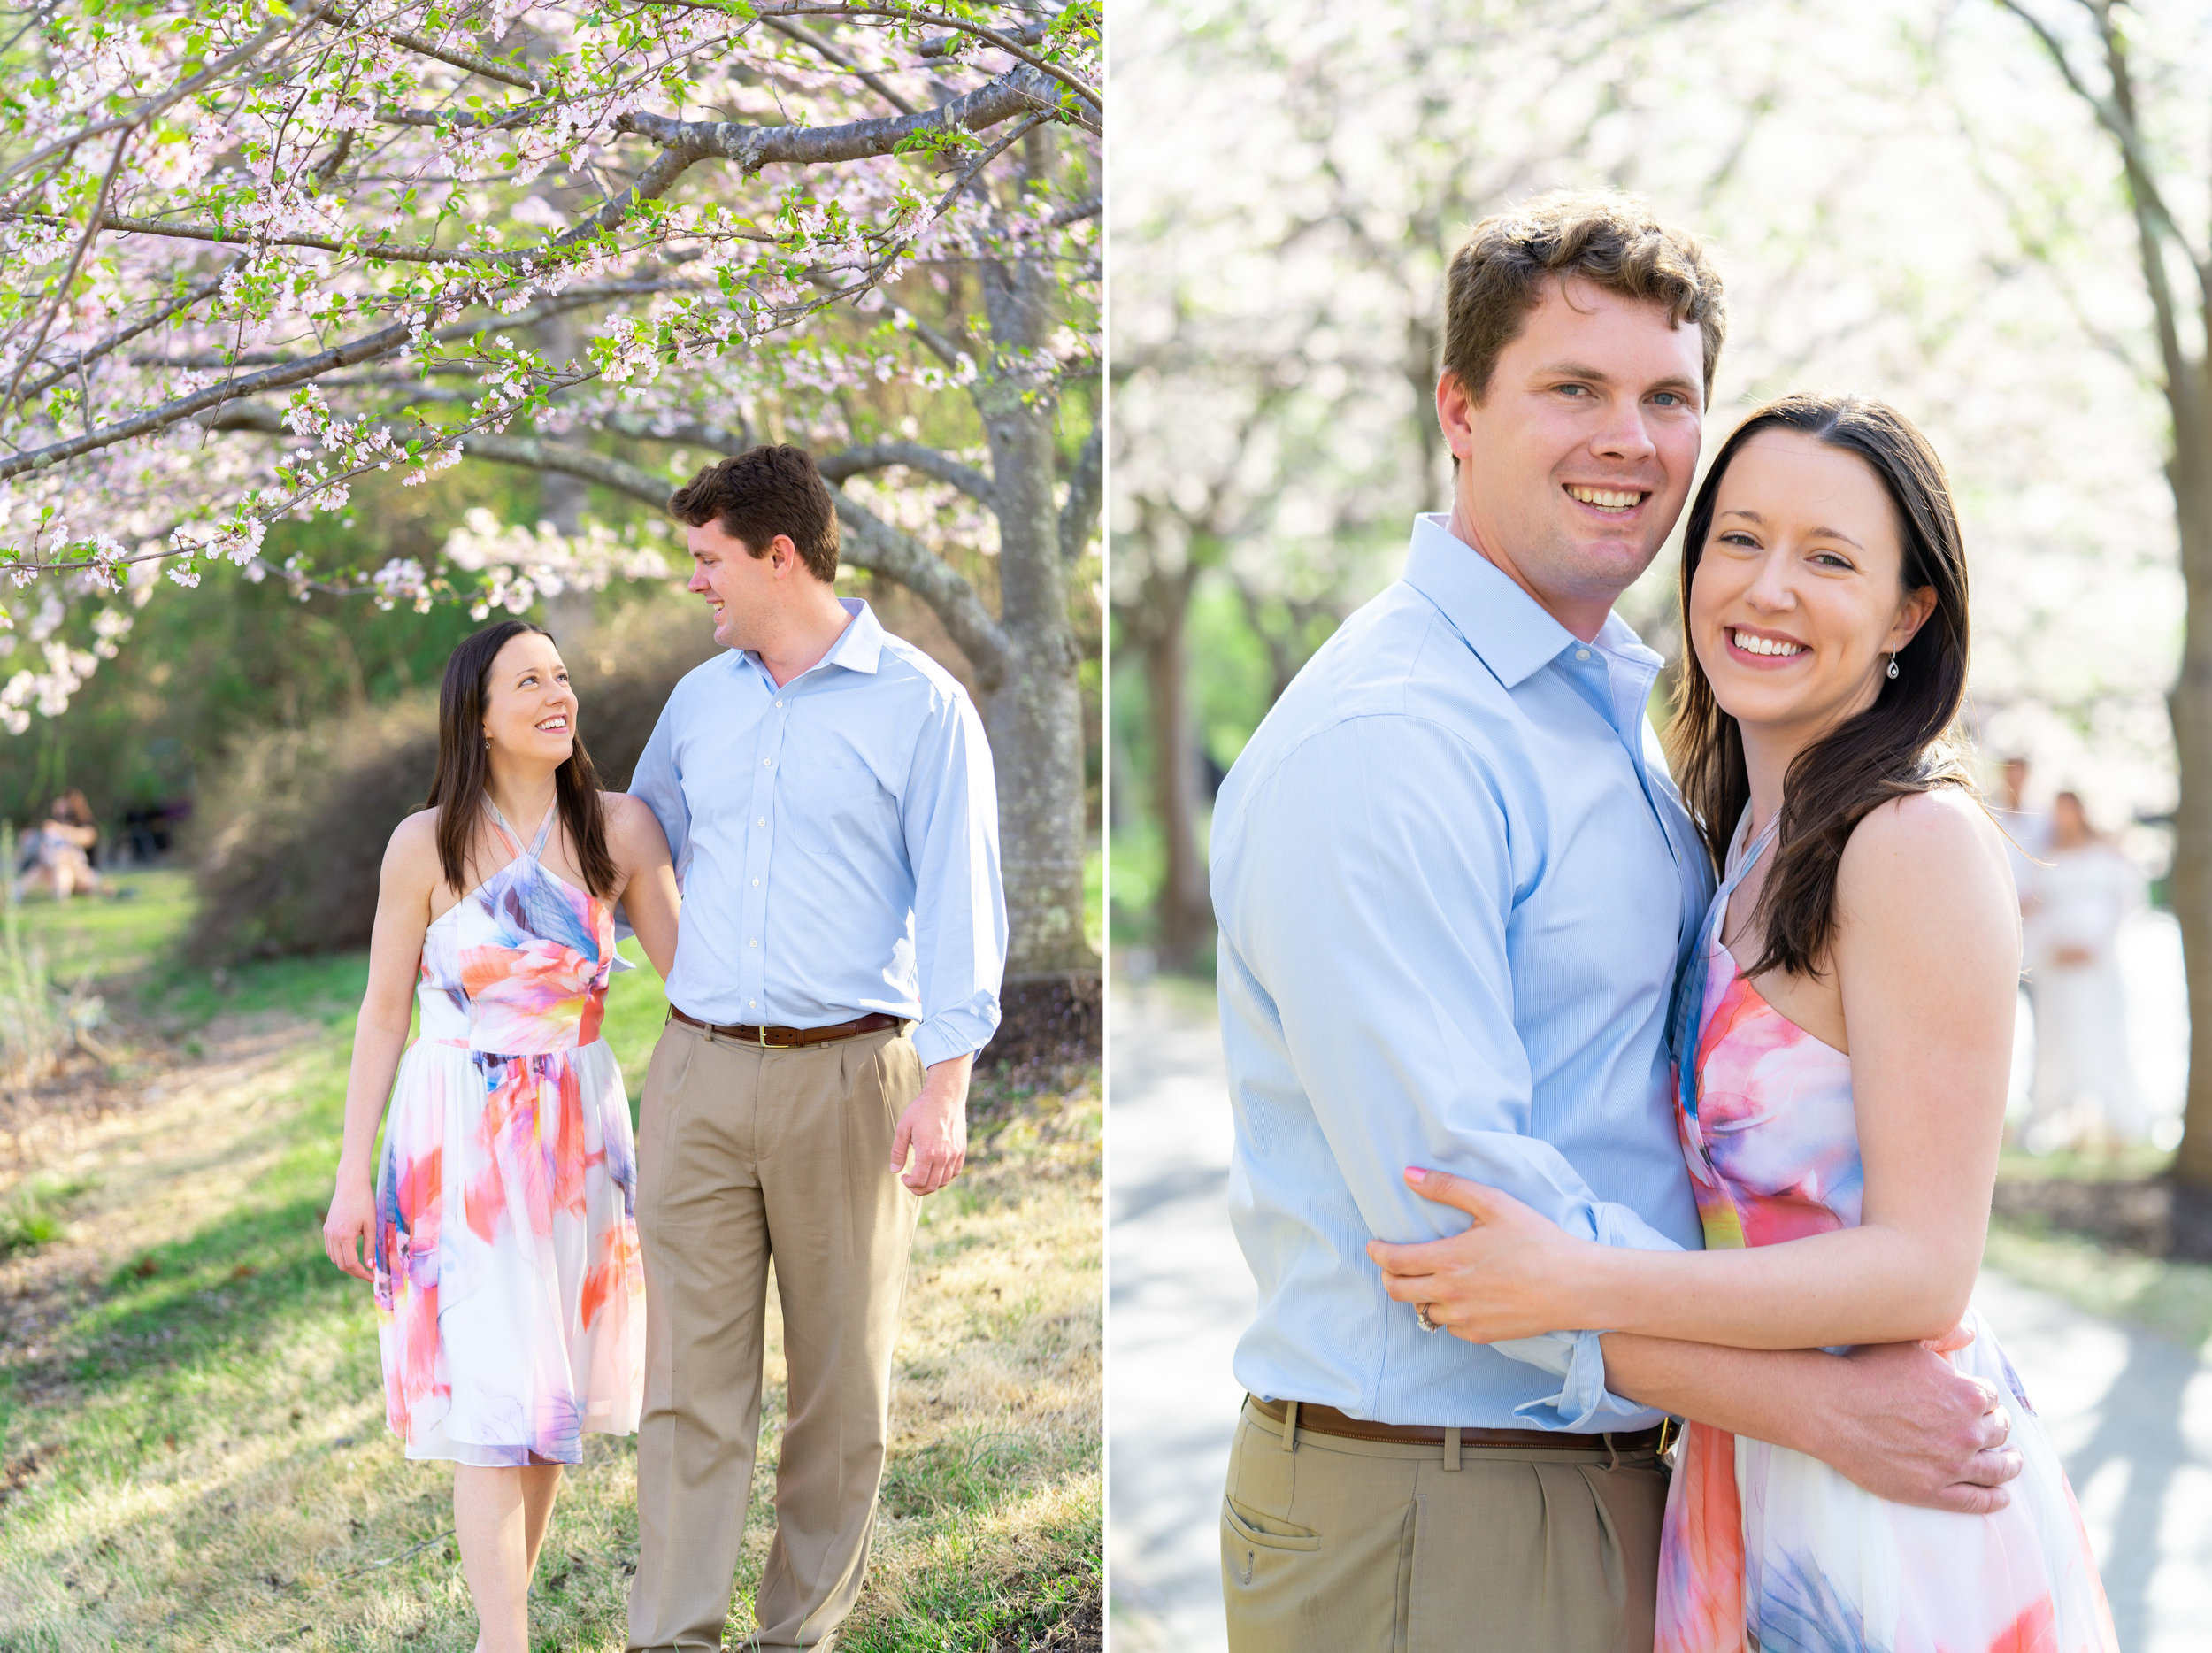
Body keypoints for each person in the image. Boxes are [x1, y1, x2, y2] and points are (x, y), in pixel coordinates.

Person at [1208, 193, 2022, 1652]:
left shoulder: (1620, 730)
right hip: (1440, 1504)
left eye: (1665, 397)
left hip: (1649, 1477)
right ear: (1458, 408)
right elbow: (1459, 1233)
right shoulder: (1394, 742)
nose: (1626, 440)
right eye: (1572, 388)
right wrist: (1826, 1409)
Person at [1374, 395, 2116, 1648]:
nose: (1769, 589)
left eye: (1829, 559)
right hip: (1753, 1464)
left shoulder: (1913, 845)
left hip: (1891, 1498)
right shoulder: (1737, 839)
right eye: (1739, 540)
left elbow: (1926, 1264)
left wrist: (1576, 1283)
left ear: (1908, 613)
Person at [624, 443, 1006, 1653]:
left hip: (851, 1076)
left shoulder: (922, 706)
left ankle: (800, 1639)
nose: (698, 585)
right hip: (696, 1076)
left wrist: (945, 1089)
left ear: (778, 556)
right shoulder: (702, 700)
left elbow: (962, 906)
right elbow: (639, 846)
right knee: (690, 1390)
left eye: (708, 560)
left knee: (840, 1396)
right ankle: (671, 1638)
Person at [321, 619, 680, 1653]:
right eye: (529, 680)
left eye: (562, 676)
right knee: (489, 1392)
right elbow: (383, 1012)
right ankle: (505, 1637)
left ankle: (498, 1625)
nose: (556, 692)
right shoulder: (421, 844)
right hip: (457, 1142)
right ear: (478, 715)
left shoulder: (621, 831)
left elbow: (701, 986)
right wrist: (354, 1176)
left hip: (579, 1134)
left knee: (547, 1390)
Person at [2024, 788, 2145, 1151]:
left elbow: (2127, 902)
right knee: (2058, 1038)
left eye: (2068, 810)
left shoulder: (2107, 854)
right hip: (2058, 962)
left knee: (2102, 1033)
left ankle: (2113, 1121)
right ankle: (2060, 1120)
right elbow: (2034, 908)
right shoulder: (2044, 857)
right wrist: (2053, 947)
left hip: (2097, 962)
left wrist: (2096, 945)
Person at [13, 790, 103, 900]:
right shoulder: (58, 827)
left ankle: (60, 895)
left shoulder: (86, 826)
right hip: (60, 871)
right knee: (47, 865)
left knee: (64, 861)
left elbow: (86, 837)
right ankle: (17, 892)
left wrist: (59, 830)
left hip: (85, 874)